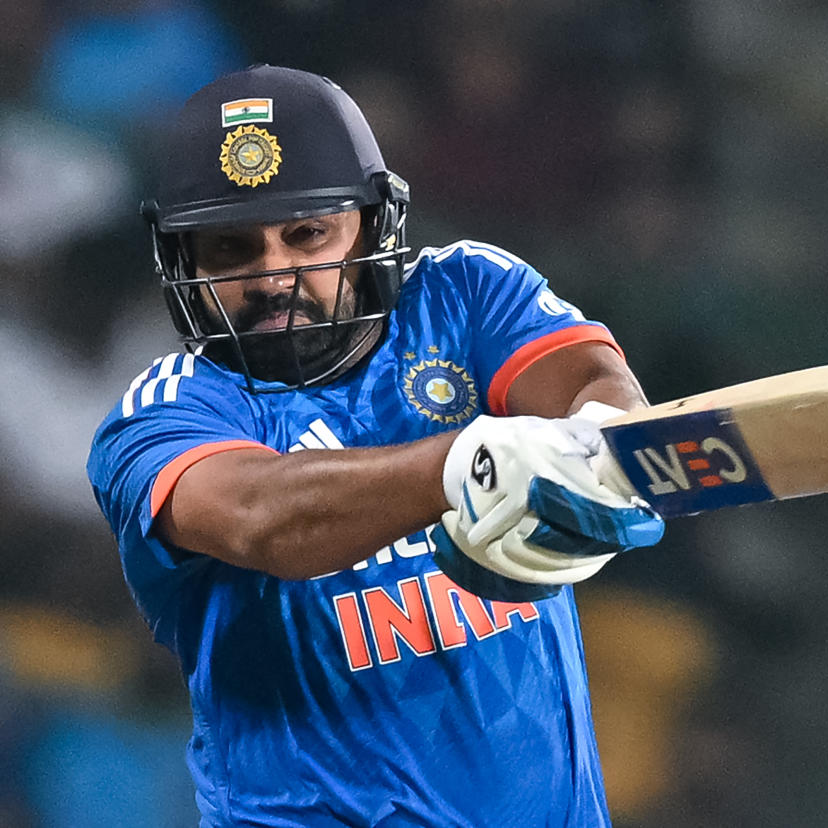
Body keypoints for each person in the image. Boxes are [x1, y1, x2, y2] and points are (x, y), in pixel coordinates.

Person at [86, 64, 665, 827]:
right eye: (231, 250)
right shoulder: (159, 417)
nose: (275, 277)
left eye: (308, 234)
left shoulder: (467, 294)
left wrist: (597, 456)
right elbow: (265, 518)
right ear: (182, 260)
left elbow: (601, 392)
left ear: (374, 220)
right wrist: (473, 462)